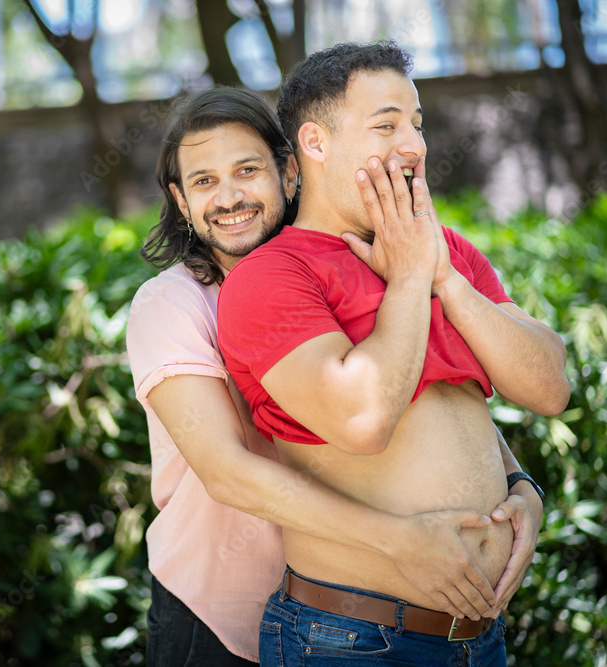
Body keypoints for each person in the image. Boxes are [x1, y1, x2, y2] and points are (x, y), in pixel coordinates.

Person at [126, 86, 546, 666]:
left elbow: (430, 395)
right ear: (180, 199)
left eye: (247, 171)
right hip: (216, 613)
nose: (229, 198)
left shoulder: (329, 267)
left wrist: (520, 486)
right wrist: (400, 542)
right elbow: (228, 473)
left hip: (344, 600)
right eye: (203, 182)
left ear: (288, 174)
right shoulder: (171, 304)